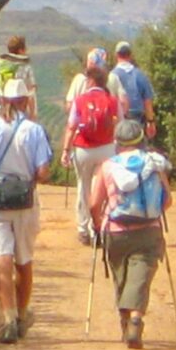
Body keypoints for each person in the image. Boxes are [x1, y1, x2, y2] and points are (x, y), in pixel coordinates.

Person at [0, 78, 54, 344]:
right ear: (26, 101)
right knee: (24, 261)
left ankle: (8, 320)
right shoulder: (34, 130)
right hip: (25, 202)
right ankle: (22, 315)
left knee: (1, 259)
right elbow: (43, 172)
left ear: (2, 100)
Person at [89, 118, 172, 349]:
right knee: (141, 275)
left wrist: (97, 225)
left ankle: (126, 321)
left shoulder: (108, 166)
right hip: (149, 230)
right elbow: (168, 200)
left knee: (121, 276)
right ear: (141, 140)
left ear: (117, 142)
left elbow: (95, 203)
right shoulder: (154, 163)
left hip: (116, 231)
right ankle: (136, 318)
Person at [61, 61, 119, 246]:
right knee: (102, 188)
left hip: (83, 149)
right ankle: (100, 226)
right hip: (107, 148)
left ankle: (82, 228)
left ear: (92, 81)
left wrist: (65, 150)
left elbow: (71, 126)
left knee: (83, 187)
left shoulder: (80, 101)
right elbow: (120, 125)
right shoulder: (112, 101)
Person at [109, 40, 156, 139]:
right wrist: (150, 122)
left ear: (116, 55)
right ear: (130, 55)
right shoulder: (141, 75)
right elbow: (147, 101)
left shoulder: (112, 76)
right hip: (138, 120)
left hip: (120, 121)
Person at [0, 34, 37, 120]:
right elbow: (32, 88)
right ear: (21, 50)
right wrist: (33, 114)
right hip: (19, 107)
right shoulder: (25, 65)